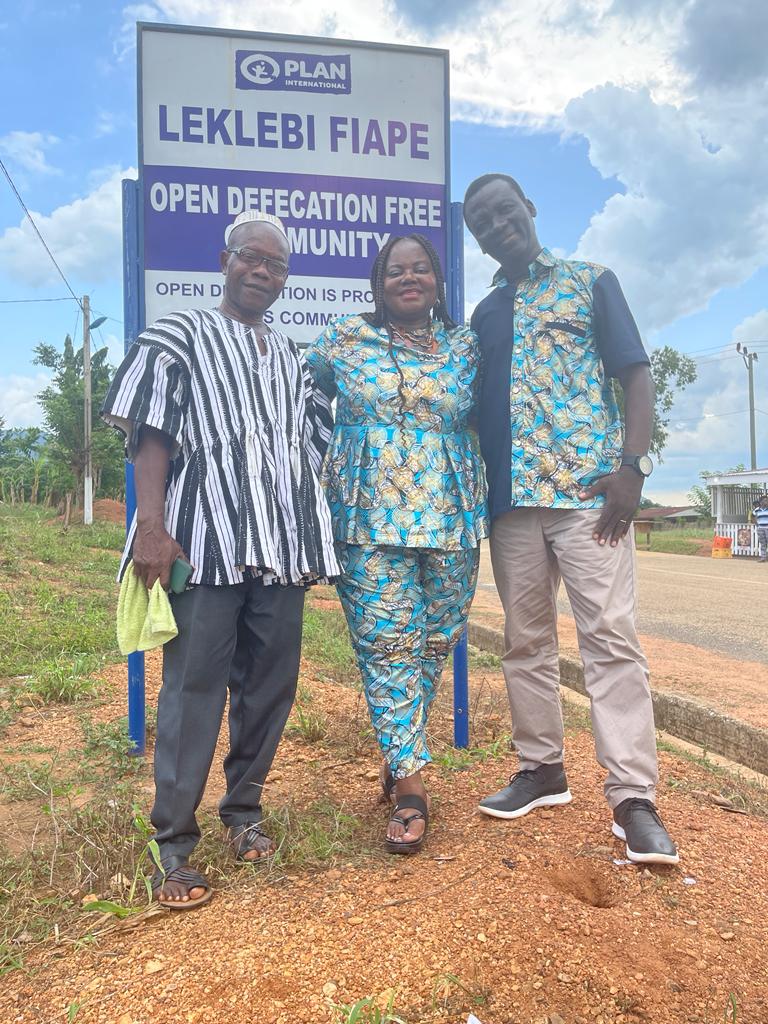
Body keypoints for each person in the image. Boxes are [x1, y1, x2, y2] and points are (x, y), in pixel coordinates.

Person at [102, 211, 339, 908]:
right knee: (194, 687)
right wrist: (151, 527)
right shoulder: (179, 334)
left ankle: (244, 811)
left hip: (281, 547)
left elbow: (310, 445)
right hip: (204, 544)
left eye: (276, 264)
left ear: (286, 278)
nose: (262, 271)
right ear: (224, 261)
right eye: (250, 257)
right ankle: (174, 844)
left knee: (270, 686)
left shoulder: (293, 357)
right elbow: (151, 434)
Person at [463, 173, 678, 865]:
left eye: (505, 211)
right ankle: (541, 768)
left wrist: (632, 468)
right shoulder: (485, 315)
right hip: (512, 507)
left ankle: (632, 799)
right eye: (482, 222)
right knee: (524, 642)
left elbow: (635, 374)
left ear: (529, 207)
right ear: (477, 239)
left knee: (609, 640)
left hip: (591, 500)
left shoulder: (591, 282)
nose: (498, 225)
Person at [305, 234, 487, 853]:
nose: (409, 279)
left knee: (434, 644)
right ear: (377, 285)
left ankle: (397, 749)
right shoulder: (344, 338)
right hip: (368, 519)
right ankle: (410, 787)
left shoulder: (466, 345)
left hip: (454, 518)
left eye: (420, 269)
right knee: (388, 647)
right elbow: (292, 397)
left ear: (438, 280)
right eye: (394, 272)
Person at [752, 494, 768, 562]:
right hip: (760, 528)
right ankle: (763, 558)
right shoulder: (756, 510)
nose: (766, 502)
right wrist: (757, 525)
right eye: (765, 500)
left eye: (767, 500)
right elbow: (753, 517)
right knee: (763, 543)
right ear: (761, 502)